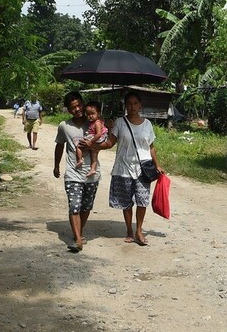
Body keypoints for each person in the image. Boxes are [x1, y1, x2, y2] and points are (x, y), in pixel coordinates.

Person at [98, 91, 162, 246]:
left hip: (143, 168)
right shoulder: (119, 122)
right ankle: (129, 230)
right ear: (125, 105)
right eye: (129, 103)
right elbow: (110, 143)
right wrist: (99, 138)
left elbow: (151, 147)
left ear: (140, 105)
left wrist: (157, 164)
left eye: (135, 103)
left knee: (142, 200)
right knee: (126, 201)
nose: (132, 106)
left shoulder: (147, 124)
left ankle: (139, 230)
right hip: (123, 167)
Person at [54, 91, 100, 252]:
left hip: (92, 173)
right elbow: (59, 145)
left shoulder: (94, 122)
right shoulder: (64, 126)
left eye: (80, 105)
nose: (78, 109)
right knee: (74, 205)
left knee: (86, 206)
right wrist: (56, 165)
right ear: (68, 109)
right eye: (73, 107)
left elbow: (107, 141)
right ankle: (78, 240)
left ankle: (78, 232)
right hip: (73, 173)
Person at [75, 101, 108, 177]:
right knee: (94, 156)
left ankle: (79, 160)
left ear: (98, 114)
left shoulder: (97, 123)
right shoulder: (93, 122)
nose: (90, 116)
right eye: (88, 114)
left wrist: (91, 141)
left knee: (78, 146)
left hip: (96, 138)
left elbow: (99, 134)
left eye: (92, 114)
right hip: (96, 139)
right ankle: (93, 169)